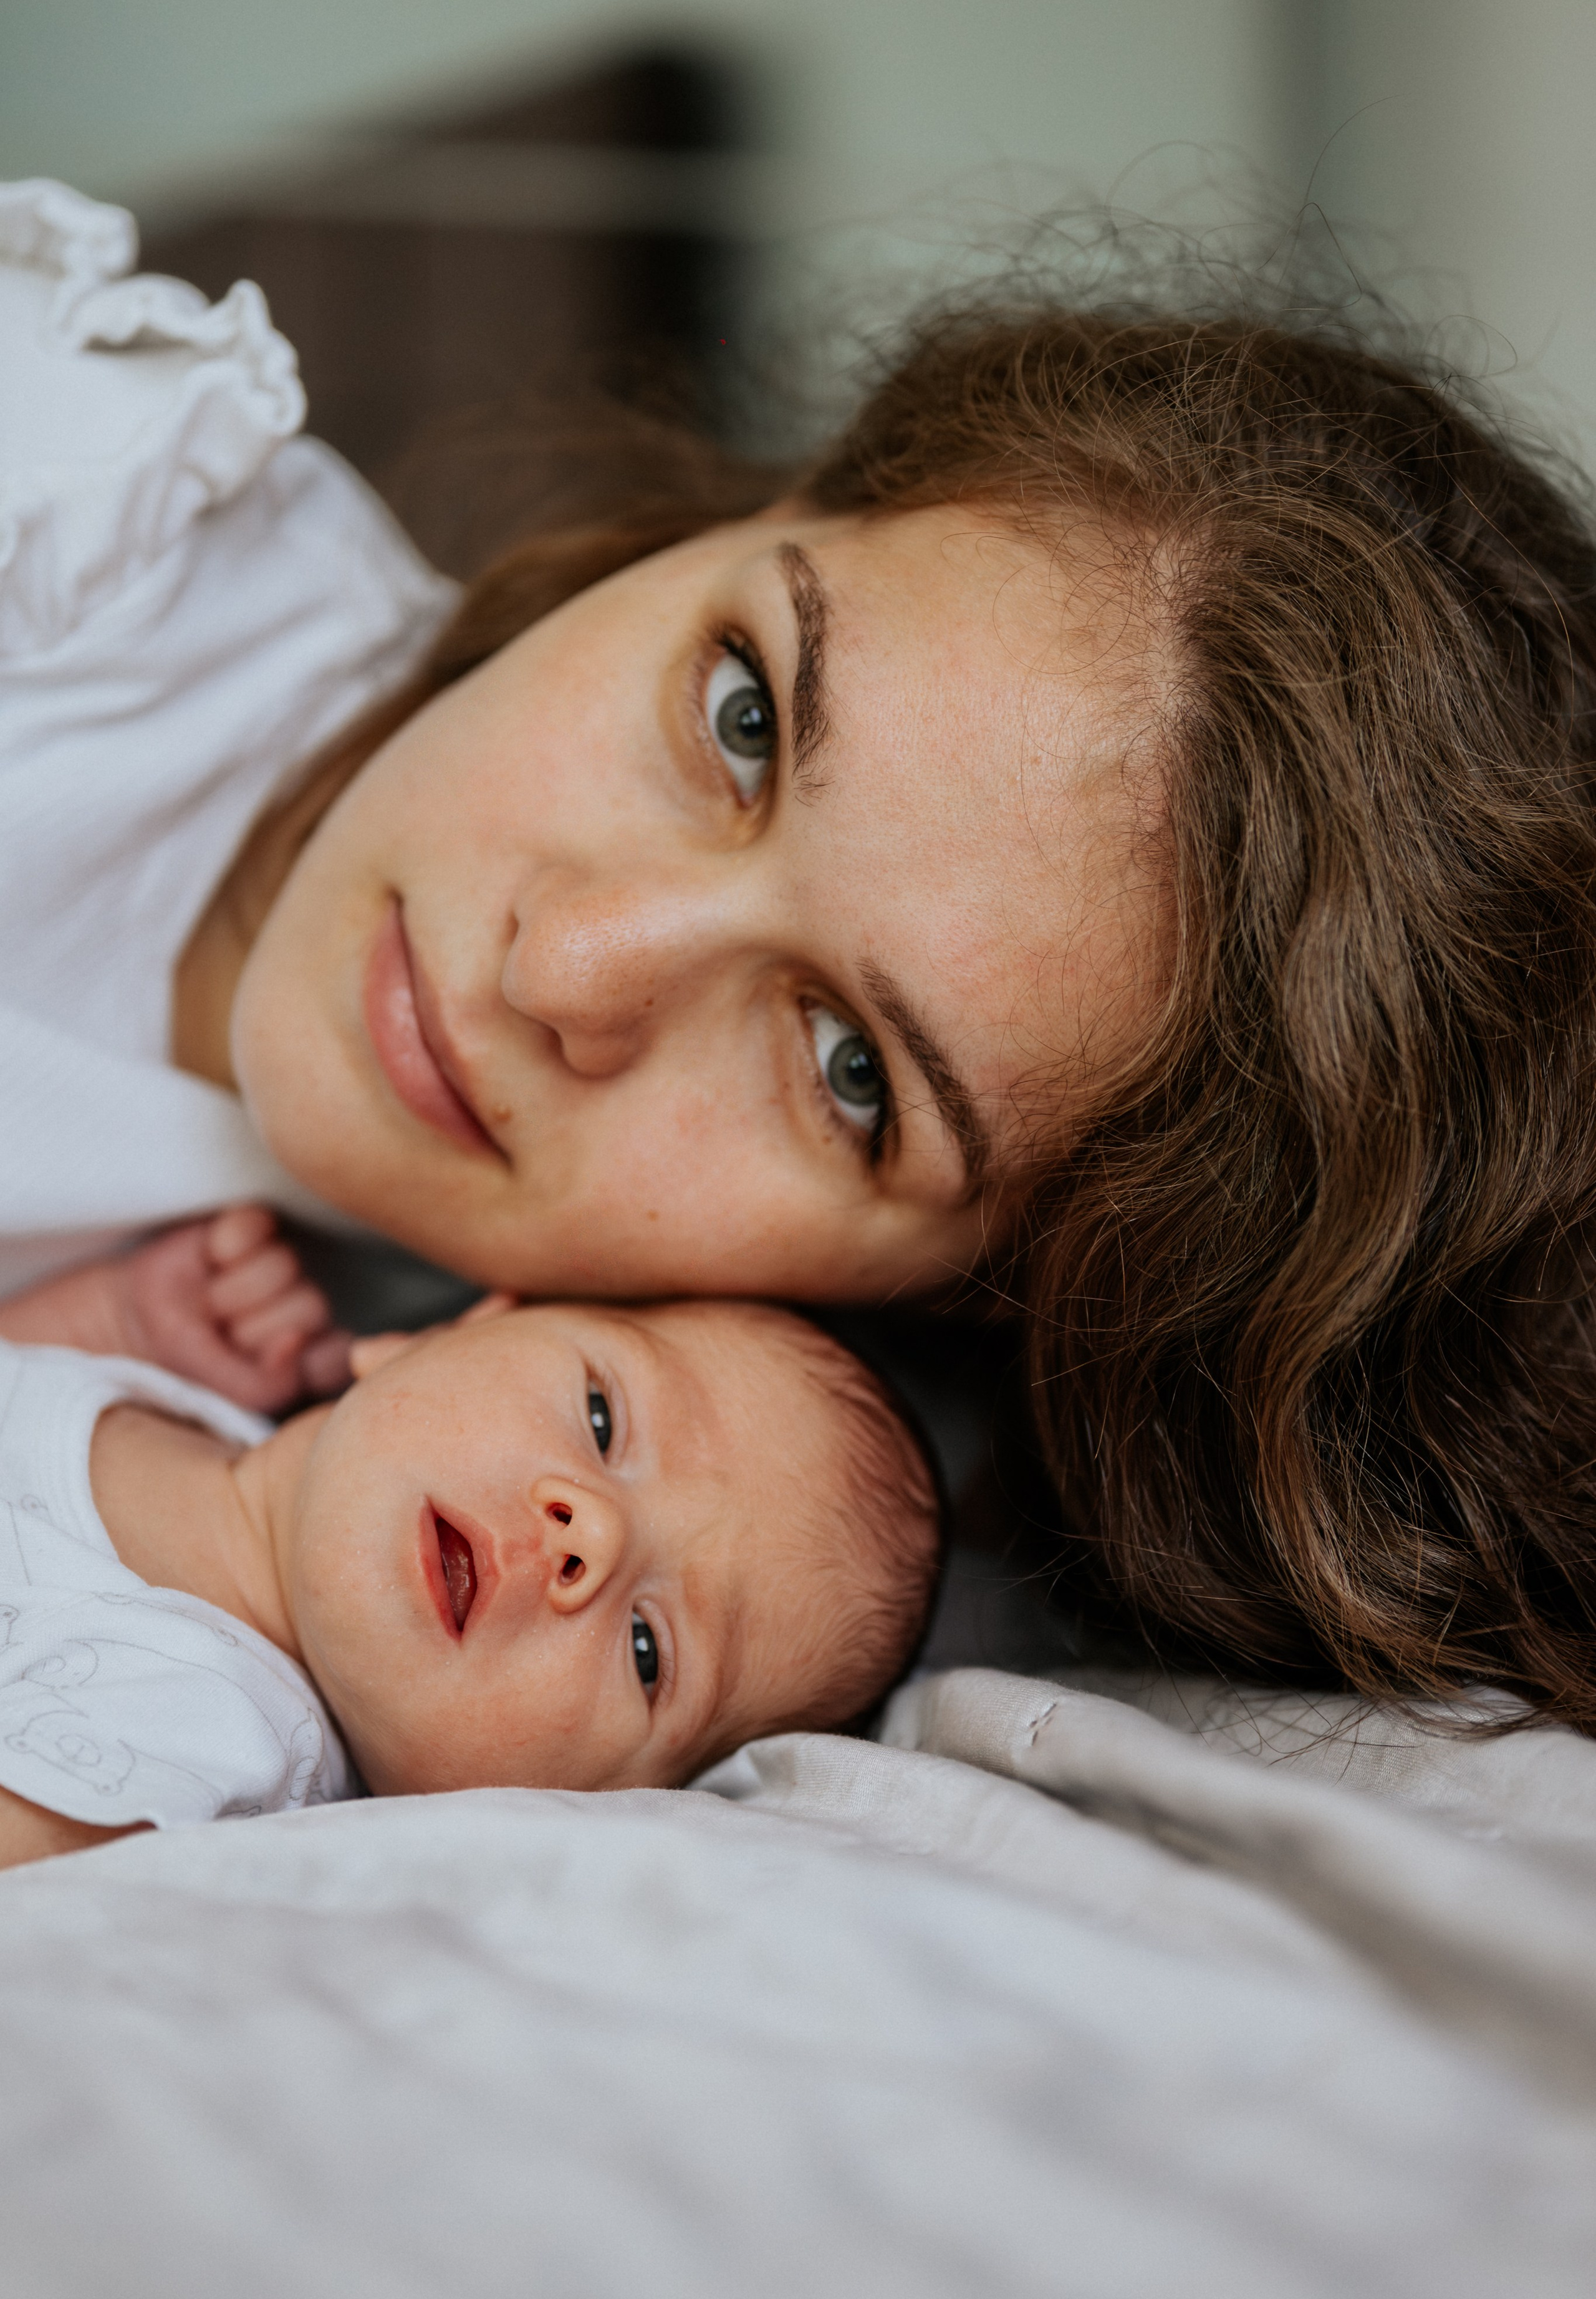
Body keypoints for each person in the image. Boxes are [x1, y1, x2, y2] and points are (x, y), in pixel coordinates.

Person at [5, 176, 1596, 1734]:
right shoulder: (81, 523)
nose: (565, 965)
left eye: (851, 1076)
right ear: (747, 519)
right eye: (743, 715)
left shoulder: (498, 1474)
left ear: (944, 1299)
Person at [0, 1271, 941, 1871]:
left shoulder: (194, 1743)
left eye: (649, 1652)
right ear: (440, 1331)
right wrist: (115, 1312)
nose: (592, 1539)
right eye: (603, 1419)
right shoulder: (167, 1398)